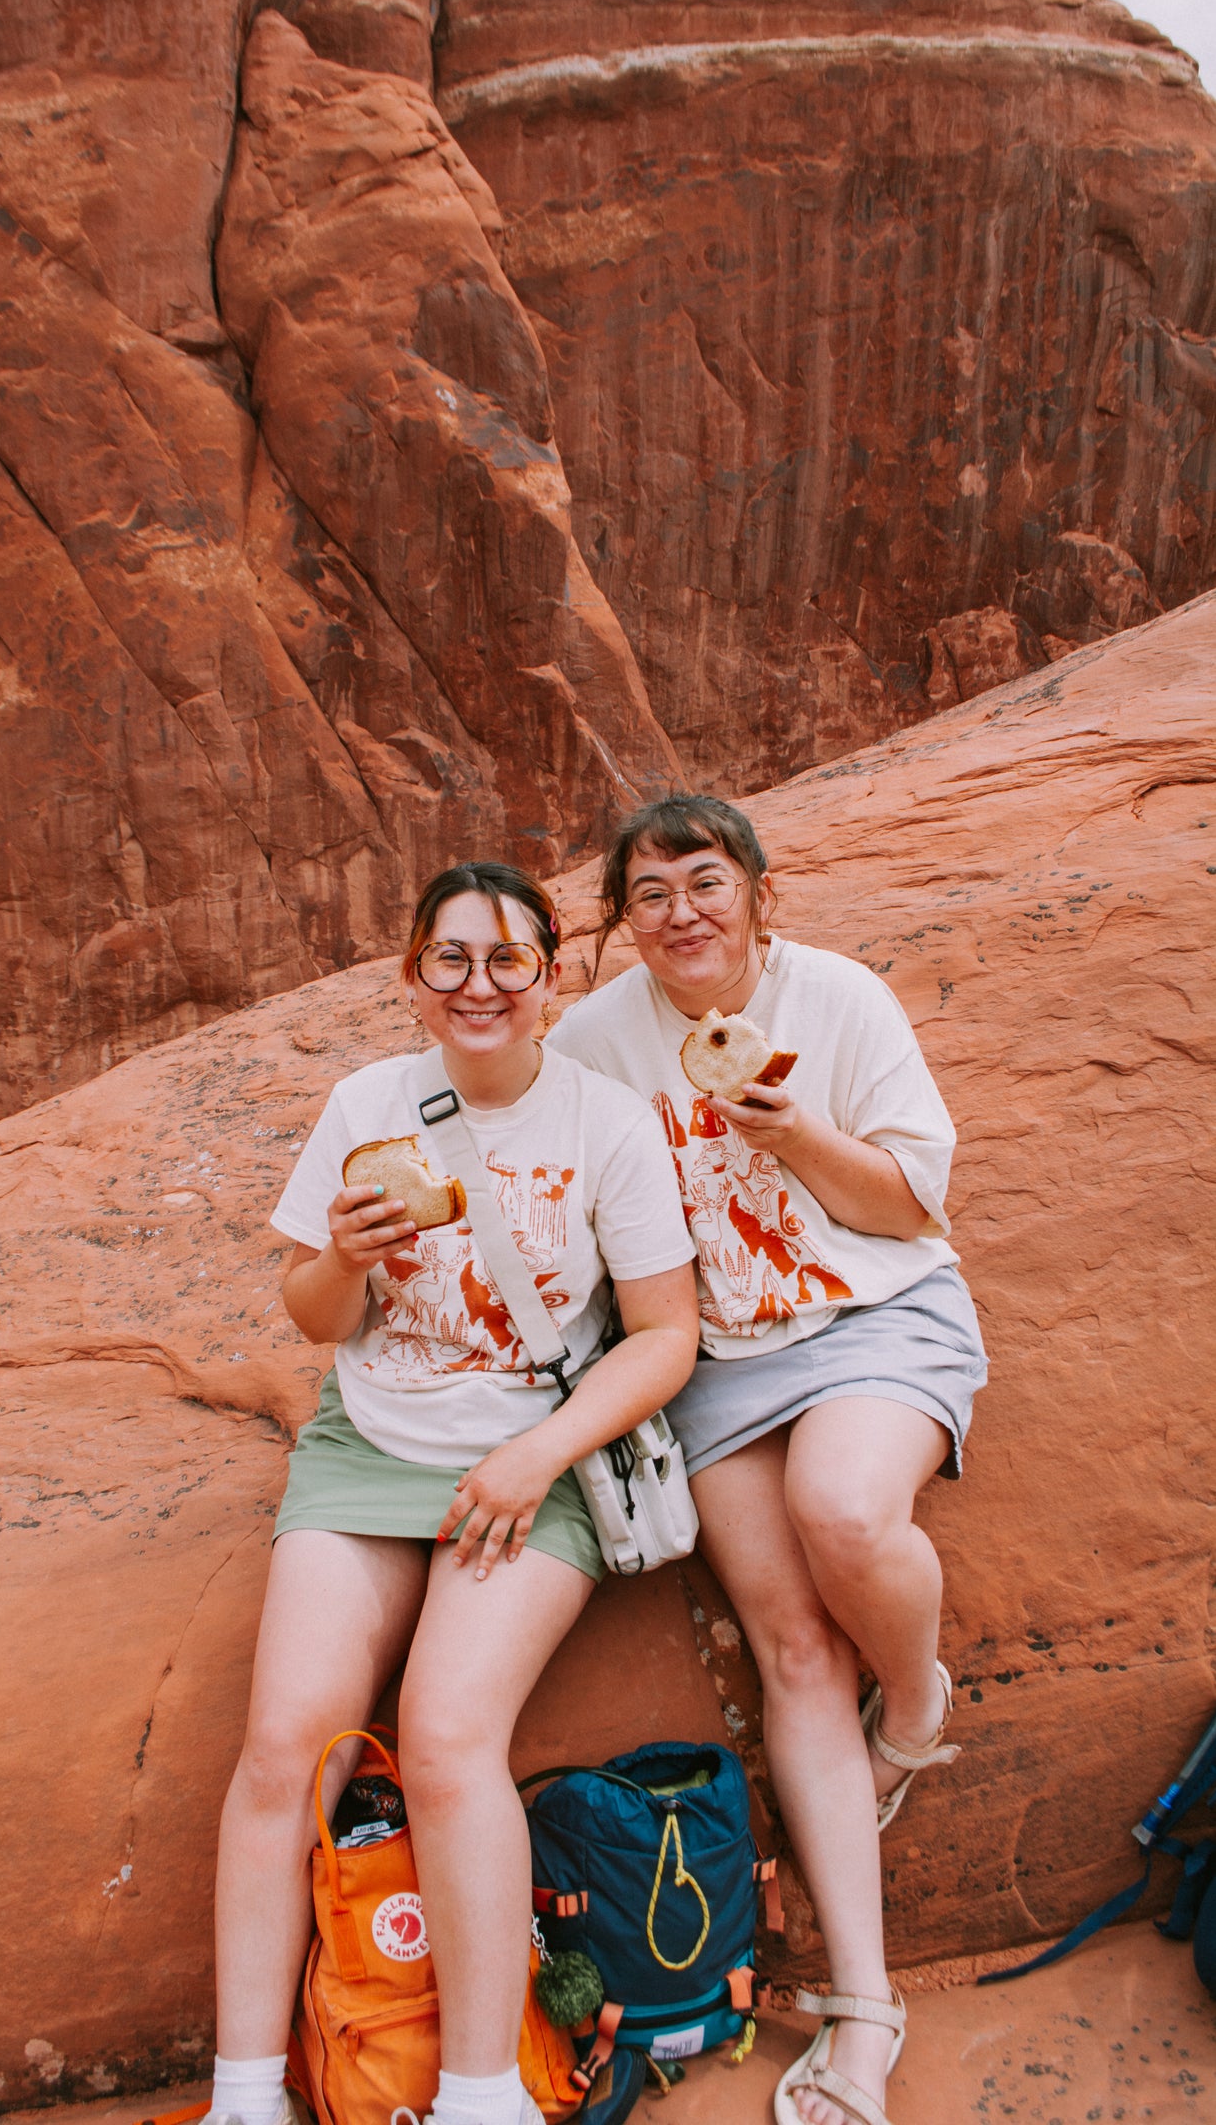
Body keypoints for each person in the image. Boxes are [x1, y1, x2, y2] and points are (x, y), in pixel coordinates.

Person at [212, 860, 699, 2125]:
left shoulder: (604, 1122)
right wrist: (340, 1256)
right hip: (369, 1445)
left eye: (507, 961)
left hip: (534, 1462)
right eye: (450, 961)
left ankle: (482, 2092)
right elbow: (316, 1314)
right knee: (285, 1748)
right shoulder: (367, 1104)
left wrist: (537, 1456)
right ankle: (245, 2093)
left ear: (551, 974)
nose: (478, 986)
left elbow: (661, 1336)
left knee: (440, 1735)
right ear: (411, 977)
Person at [547, 796, 987, 2125]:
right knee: (791, 1643)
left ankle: (913, 1703)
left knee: (842, 1509)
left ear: (758, 893)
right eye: (649, 894)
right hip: (718, 1363)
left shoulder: (838, 1000)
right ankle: (865, 2008)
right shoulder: (595, 1042)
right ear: (622, 921)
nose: (681, 912)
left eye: (705, 883)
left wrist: (787, 1132)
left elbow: (912, 1203)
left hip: (875, 1313)